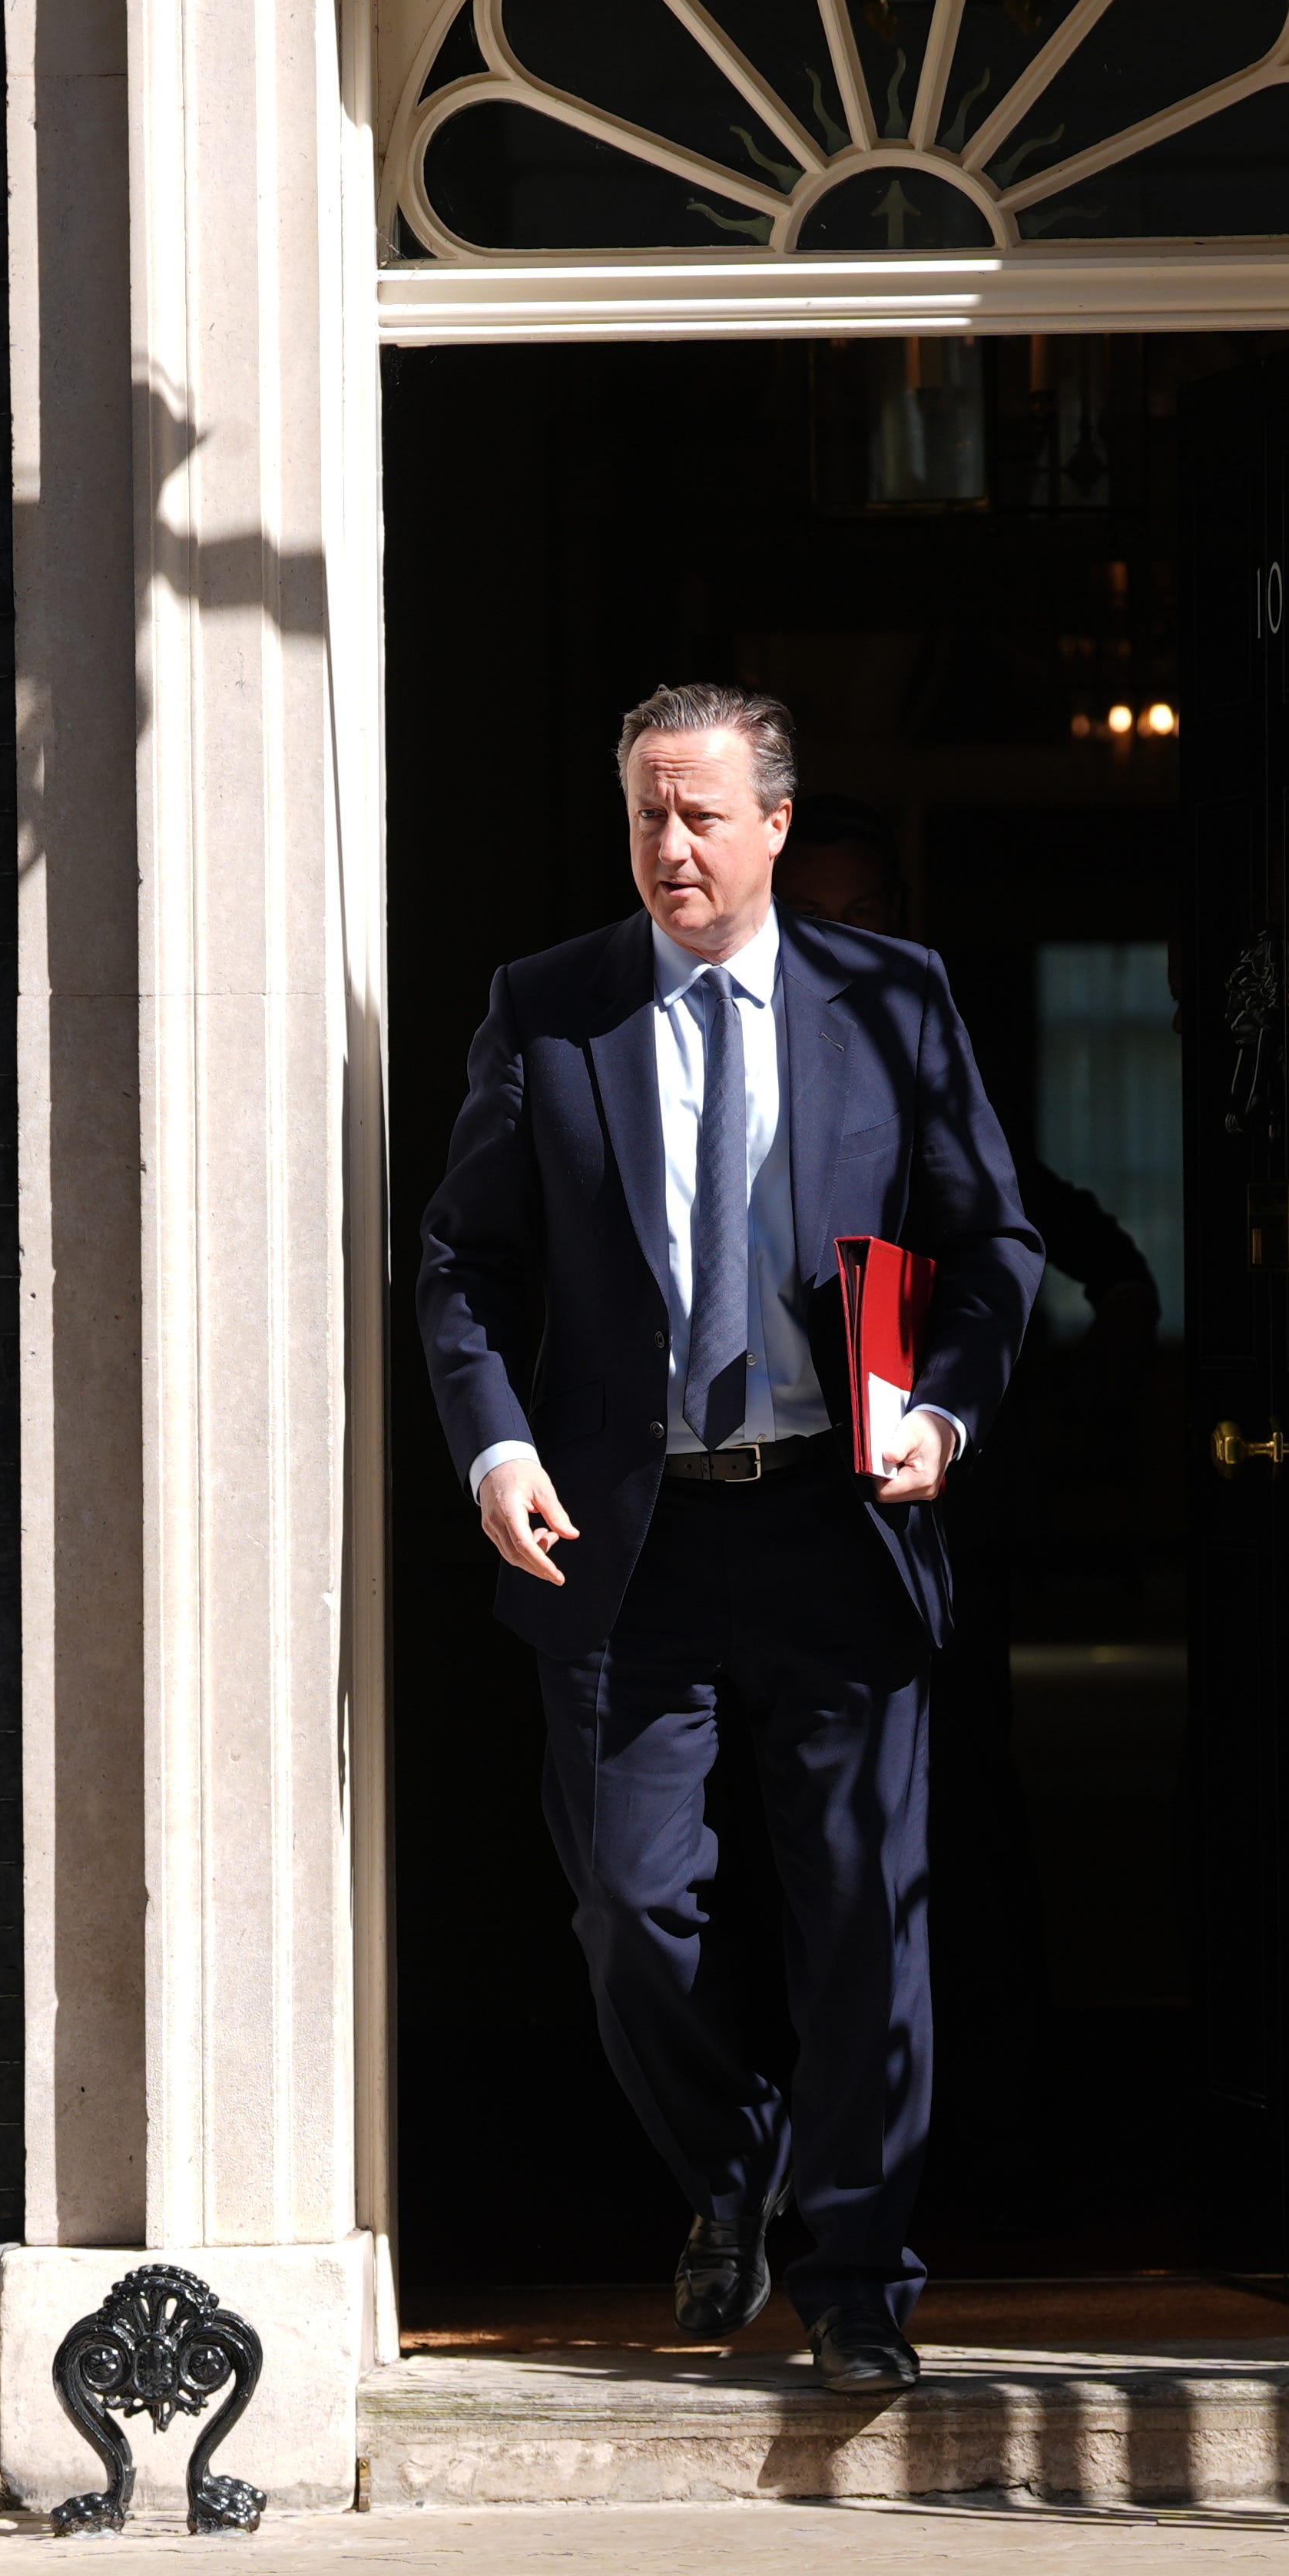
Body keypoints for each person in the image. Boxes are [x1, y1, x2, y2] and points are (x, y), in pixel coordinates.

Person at [413, 684, 1043, 2396]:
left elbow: (994, 1243)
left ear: (775, 825)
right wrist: (496, 1443)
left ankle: (859, 2275)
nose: (670, 846)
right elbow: (465, 1261)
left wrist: (946, 1409)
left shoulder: (889, 1000)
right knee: (629, 1905)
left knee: (861, 1912)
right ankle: (733, 2143)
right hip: (627, 1533)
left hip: (839, 1517)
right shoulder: (551, 1010)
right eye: (644, 815)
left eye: (701, 814)